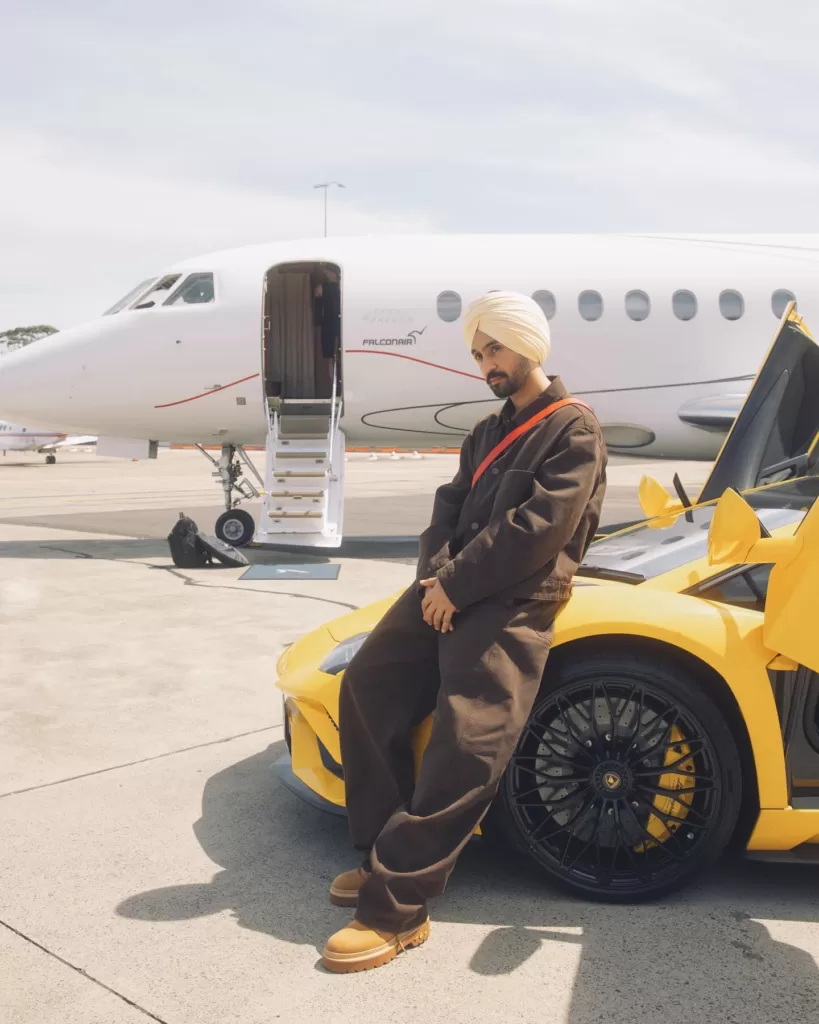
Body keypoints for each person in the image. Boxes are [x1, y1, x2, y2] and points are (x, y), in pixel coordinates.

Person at [320, 291, 608, 973]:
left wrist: (458, 585)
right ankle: (383, 855)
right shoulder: (484, 432)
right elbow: (445, 512)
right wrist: (435, 582)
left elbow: (539, 531)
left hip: (515, 599)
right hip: (449, 592)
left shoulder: (573, 429)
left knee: (465, 738)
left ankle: (398, 909)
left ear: (527, 345)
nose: (486, 363)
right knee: (366, 684)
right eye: (479, 353)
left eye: (495, 349)